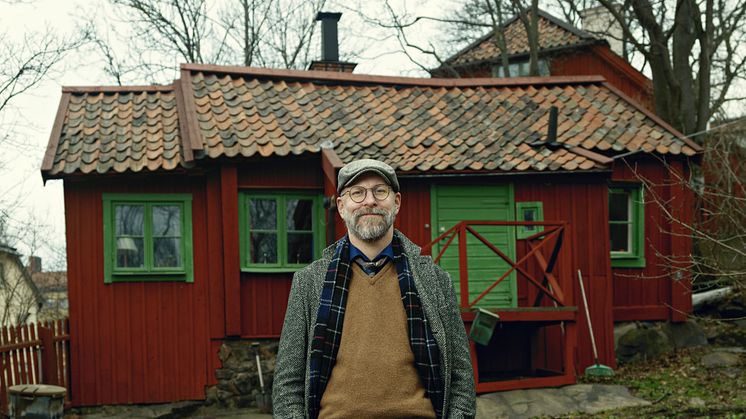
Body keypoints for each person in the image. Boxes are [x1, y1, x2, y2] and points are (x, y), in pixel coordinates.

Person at [272, 158, 476, 418]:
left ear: (397, 202)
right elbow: (288, 385)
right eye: (357, 192)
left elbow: (461, 378)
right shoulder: (309, 282)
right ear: (342, 206)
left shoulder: (435, 281)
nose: (370, 201)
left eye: (380, 191)